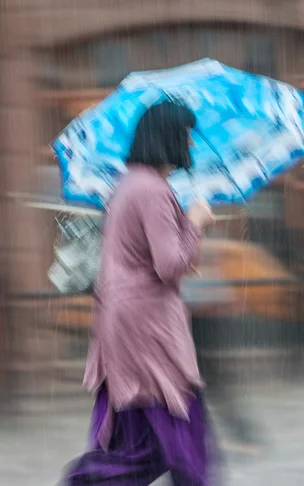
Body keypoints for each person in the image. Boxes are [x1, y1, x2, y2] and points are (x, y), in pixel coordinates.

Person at [63, 100, 220, 485]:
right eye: (186, 135)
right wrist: (196, 222)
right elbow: (169, 266)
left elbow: (149, 257)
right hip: (148, 328)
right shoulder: (152, 189)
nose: (192, 145)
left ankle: (88, 479)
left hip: (125, 323)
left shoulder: (130, 184)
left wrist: (183, 230)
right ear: (169, 137)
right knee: (182, 434)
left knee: (141, 439)